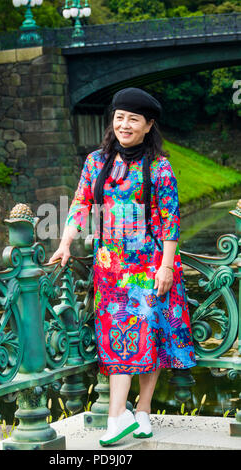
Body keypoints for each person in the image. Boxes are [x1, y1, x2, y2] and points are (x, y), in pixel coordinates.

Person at [48, 87, 196, 447]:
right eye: (119, 118)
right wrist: (65, 242)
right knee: (119, 340)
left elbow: (171, 219)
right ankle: (119, 416)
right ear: (112, 121)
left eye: (133, 119)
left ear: (148, 125)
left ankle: (139, 411)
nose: (124, 125)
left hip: (149, 266)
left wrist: (165, 266)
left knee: (151, 332)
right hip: (110, 268)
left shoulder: (159, 166)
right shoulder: (96, 162)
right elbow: (81, 204)